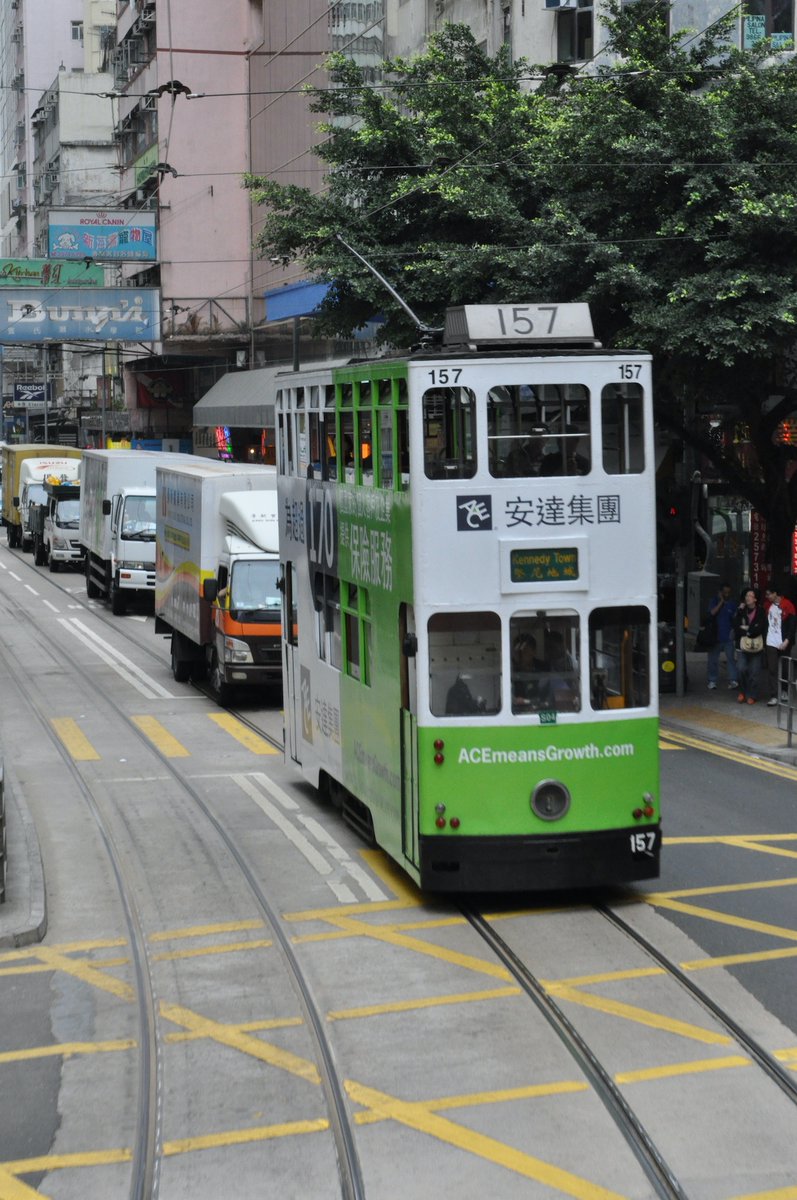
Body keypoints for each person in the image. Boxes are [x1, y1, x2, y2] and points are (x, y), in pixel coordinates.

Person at [763, 584, 796, 706]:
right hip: (771, 640)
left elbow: (792, 625)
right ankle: (773, 695)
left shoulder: (788, 605)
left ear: (775, 593)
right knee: (772, 668)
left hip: (784, 641)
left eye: (768, 594)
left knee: (785, 668)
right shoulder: (767, 606)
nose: (767, 597)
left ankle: (785, 690)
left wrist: (787, 640)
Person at [733, 588, 767, 704]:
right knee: (741, 669)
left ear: (755, 599)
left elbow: (760, 628)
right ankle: (742, 692)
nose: (747, 598)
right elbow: (736, 626)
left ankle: (752, 695)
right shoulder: (741, 611)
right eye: (746, 595)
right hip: (742, 646)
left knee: (754, 672)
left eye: (750, 596)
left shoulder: (761, 611)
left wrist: (747, 630)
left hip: (757, 647)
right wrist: (739, 611)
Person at [706, 583, 738, 691]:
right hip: (715, 636)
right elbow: (712, 613)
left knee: (731, 659)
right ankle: (712, 680)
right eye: (724, 592)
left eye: (728, 592)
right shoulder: (714, 601)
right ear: (720, 592)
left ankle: (733, 679)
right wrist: (721, 602)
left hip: (728, 636)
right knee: (713, 660)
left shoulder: (732, 604)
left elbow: (734, 617)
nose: (726, 594)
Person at [511, 633, 548, 712]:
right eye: (517, 652)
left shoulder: (544, 669)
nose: (520, 655)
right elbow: (504, 698)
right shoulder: (509, 669)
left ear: (534, 652)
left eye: (525, 651)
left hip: (540, 711)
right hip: (516, 714)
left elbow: (548, 697)